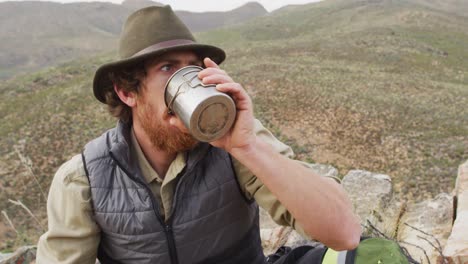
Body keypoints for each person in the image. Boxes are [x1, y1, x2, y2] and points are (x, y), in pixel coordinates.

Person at [36, 5, 361, 264]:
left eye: (193, 68)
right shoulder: (85, 179)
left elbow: (344, 232)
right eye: (168, 68)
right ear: (126, 92)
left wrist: (246, 146)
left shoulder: (236, 144)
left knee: (366, 256)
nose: (190, 80)